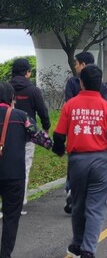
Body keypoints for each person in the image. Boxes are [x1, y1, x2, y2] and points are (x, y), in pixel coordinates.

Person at [52, 65, 107, 258]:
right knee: (96, 206)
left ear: (81, 83)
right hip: (100, 160)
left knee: (78, 204)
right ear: (100, 84)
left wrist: (58, 150)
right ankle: (88, 249)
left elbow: (58, 135)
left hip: (77, 161)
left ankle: (77, 243)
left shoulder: (70, 105)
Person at [0, 82, 53, 258]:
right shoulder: (21, 117)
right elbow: (44, 140)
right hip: (13, 175)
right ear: (11, 99)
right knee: (11, 217)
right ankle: (5, 254)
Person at [63, 51, 107, 214]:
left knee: (74, 162)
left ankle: (71, 191)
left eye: (76, 63)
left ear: (83, 64)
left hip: (77, 131)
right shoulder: (101, 85)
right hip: (96, 134)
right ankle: (82, 196)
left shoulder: (72, 83)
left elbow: (68, 105)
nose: (75, 66)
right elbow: (106, 108)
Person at [9, 58, 51, 215]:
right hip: (27, 135)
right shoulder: (33, 90)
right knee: (24, 168)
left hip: (6, 135)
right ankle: (19, 203)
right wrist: (46, 129)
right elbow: (42, 112)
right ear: (27, 72)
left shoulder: (6, 88)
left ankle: (8, 200)